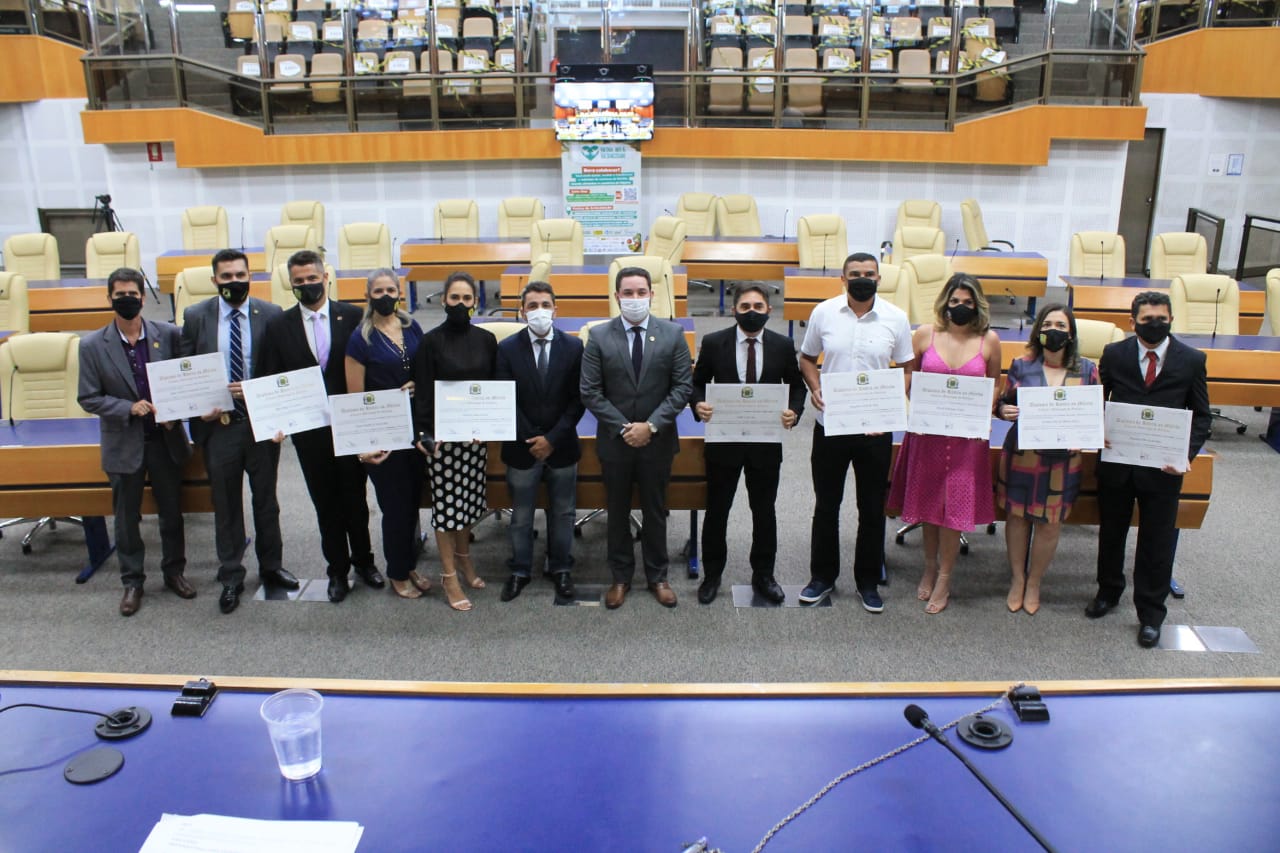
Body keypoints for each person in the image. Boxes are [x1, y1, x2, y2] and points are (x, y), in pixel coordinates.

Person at [258, 250, 383, 604]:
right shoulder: (278, 326)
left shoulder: (353, 317)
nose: (307, 285)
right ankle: (337, 571)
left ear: (325, 277)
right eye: (299, 281)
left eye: (312, 278)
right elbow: (270, 378)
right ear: (291, 285)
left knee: (356, 501)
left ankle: (364, 562)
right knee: (325, 504)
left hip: (350, 426)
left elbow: (372, 369)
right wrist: (274, 421)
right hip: (309, 432)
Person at [1089, 291, 1211, 648]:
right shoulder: (1114, 354)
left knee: (1156, 541)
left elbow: (1202, 416)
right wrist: (1097, 430)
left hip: (1164, 468)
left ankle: (1151, 613)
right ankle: (1108, 592)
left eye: (1161, 319)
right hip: (1118, 463)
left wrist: (1187, 454)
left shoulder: (1192, 360)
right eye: (1146, 320)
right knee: (1111, 533)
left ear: (1171, 319)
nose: (1154, 325)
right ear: (1133, 322)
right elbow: (1096, 401)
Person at [181, 248, 295, 615]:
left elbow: (282, 371)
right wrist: (196, 406)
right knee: (226, 504)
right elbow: (185, 370)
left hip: (260, 425)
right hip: (219, 428)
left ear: (250, 276)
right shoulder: (196, 316)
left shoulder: (271, 314)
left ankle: (271, 567)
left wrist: (279, 413)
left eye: (240, 275)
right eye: (226, 276)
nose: (234, 282)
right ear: (214, 280)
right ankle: (231, 574)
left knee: (267, 502)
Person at [798, 253, 914, 610]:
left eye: (869, 273)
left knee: (872, 508)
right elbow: (807, 358)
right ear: (843, 279)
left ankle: (867, 581)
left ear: (879, 278)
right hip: (831, 425)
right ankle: (822, 577)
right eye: (855, 274)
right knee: (826, 505)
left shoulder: (896, 317)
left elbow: (907, 367)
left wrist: (891, 405)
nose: (862, 279)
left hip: (875, 431)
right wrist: (815, 387)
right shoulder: (824, 312)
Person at [77, 267, 194, 616]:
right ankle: (132, 582)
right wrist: (127, 407)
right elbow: (88, 397)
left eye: (132, 294)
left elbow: (186, 379)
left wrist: (177, 409)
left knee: (171, 513)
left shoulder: (168, 334)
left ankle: (174, 572)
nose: (126, 300)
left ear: (143, 298)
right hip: (123, 442)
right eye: (120, 295)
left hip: (164, 440)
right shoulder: (92, 345)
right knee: (126, 518)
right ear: (109, 299)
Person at [886, 272, 1002, 615]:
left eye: (967, 302)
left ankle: (945, 577)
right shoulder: (925, 334)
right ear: (945, 303)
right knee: (929, 505)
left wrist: (985, 407)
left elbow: (995, 383)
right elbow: (909, 375)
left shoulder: (990, 340)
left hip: (966, 441)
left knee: (955, 508)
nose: (960, 307)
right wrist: (918, 399)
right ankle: (928, 567)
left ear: (977, 305)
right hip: (927, 436)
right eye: (955, 301)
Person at [579, 265, 693, 610]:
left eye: (641, 292)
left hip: (658, 441)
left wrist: (651, 426)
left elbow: (682, 387)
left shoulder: (673, 334)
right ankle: (620, 577)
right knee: (616, 512)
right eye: (627, 293)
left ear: (652, 295)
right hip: (616, 442)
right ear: (617, 297)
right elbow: (590, 391)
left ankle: (658, 576)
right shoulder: (599, 336)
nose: (635, 298)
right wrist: (625, 428)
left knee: (656, 511)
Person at [690, 283, 806, 605]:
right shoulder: (714, 342)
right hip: (723, 442)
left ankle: (764, 575)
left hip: (765, 443)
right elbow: (696, 384)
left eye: (758, 306)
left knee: (764, 512)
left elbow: (797, 387)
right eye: (745, 307)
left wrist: (794, 412)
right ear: (734, 310)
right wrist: (698, 404)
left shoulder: (783, 345)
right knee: (717, 511)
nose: (751, 312)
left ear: (769, 310)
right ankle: (712, 575)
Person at [995, 303, 1100, 615]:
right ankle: (1017, 578)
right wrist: (1003, 410)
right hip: (1023, 456)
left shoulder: (1087, 370)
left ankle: (1035, 582)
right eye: (1048, 325)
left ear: (1071, 334)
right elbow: (1003, 403)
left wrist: (1086, 434)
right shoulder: (1022, 365)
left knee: (1050, 524)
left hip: (1062, 462)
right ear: (1038, 331)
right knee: (1017, 518)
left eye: (1061, 326)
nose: (1054, 331)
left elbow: (1095, 415)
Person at [412, 271, 499, 612]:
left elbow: (493, 388)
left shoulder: (487, 339)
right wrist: (424, 433)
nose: (460, 304)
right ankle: (449, 576)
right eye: (454, 298)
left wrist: (489, 424)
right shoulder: (430, 342)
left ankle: (465, 560)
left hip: (474, 439)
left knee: (469, 505)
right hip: (443, 442)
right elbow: (423, 393)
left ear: (475, 302)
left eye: (466, 298)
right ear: (444, 301)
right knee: (448, 510)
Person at [494, 281, 584, 603]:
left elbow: (578, 399)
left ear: (556, 310)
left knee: (563, 513)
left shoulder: (574, 347)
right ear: (522, 312)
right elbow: (504, 398)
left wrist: (552, 439)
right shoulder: (506, 348)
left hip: (562, 445)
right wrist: (533, 438)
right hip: (522, 447)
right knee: (521, 516)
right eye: (532, 306)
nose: (539, 311)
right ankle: (520, 570)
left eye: (545, 305)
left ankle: (561, 568)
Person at [345, 269, 432, 600]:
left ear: (400, 293)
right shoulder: (360, 338)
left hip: (414, 428)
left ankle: (408, 564)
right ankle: (397, 572)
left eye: (391, 290)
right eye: (378, 291)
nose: (385, 296)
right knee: (394, 506)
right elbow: (355, 397)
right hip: (382, 434)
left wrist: (418, 382)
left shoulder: (412, 327)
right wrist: (365, 445)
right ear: (368, 295)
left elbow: (425, 367)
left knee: (411, 502)